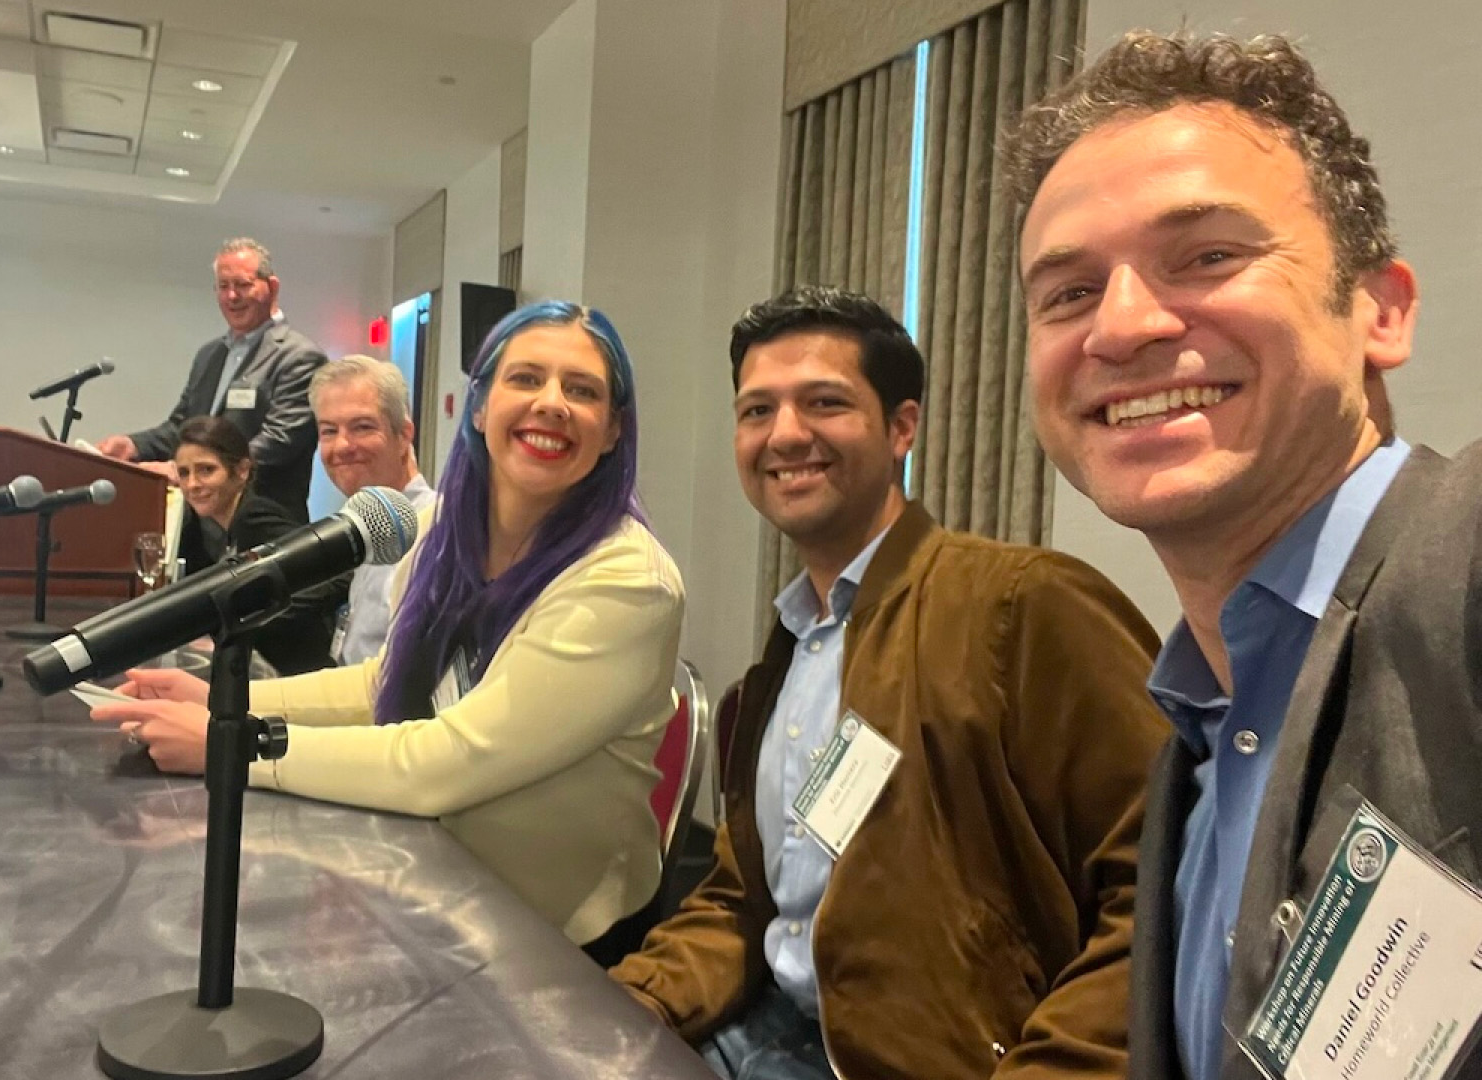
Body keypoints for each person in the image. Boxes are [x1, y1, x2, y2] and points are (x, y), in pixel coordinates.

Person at [1007, 31, 1482, 1080]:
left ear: (1382, 310)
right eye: (1068, 293)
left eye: (1211, 256)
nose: (1122, 326)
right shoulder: (1196, 738)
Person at [609, 286, 1170, 1080]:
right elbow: (744, 900)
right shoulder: (788, 654)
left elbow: (1165, 883)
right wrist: (622, 1008)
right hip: (756, 1029)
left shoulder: (1022, 606)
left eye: (824, 403)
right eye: (756, 410)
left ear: (902, 426)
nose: (785, 434)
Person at [91, 301, 686, 951]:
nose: (552, 402)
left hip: (558, 938)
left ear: (612, 432)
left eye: (582, 390)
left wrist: (233, 747)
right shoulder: (443, 532)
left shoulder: (629, 580)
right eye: (526, 378)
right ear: (481, 407)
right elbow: (391, 678)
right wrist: (227, 704)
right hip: (437, 876)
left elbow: (449, 761)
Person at [95, 238, 326, 518]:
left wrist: (191, 470)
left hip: (263, 524)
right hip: (200, 528)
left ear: (272, 287)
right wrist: (133, 446)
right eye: (223, 286)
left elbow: (279, 442)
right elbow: (182, 426)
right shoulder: (210, 355)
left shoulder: (299, 357)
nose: (232, 296)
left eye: (242, 285)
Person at [170, 415, 340, 676]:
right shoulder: (226, 523)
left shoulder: (254, 517)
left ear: (242, 470)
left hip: (299, 673)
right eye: (184, 473)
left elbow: (331, 575)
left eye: (206, 470)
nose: (192, 484)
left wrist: (244, 622)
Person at [309, 354, 437, 665]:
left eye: (362, 427)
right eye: (329, 431)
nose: (342, 446)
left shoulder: (435, 532)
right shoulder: (373, 525)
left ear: (404, 434)